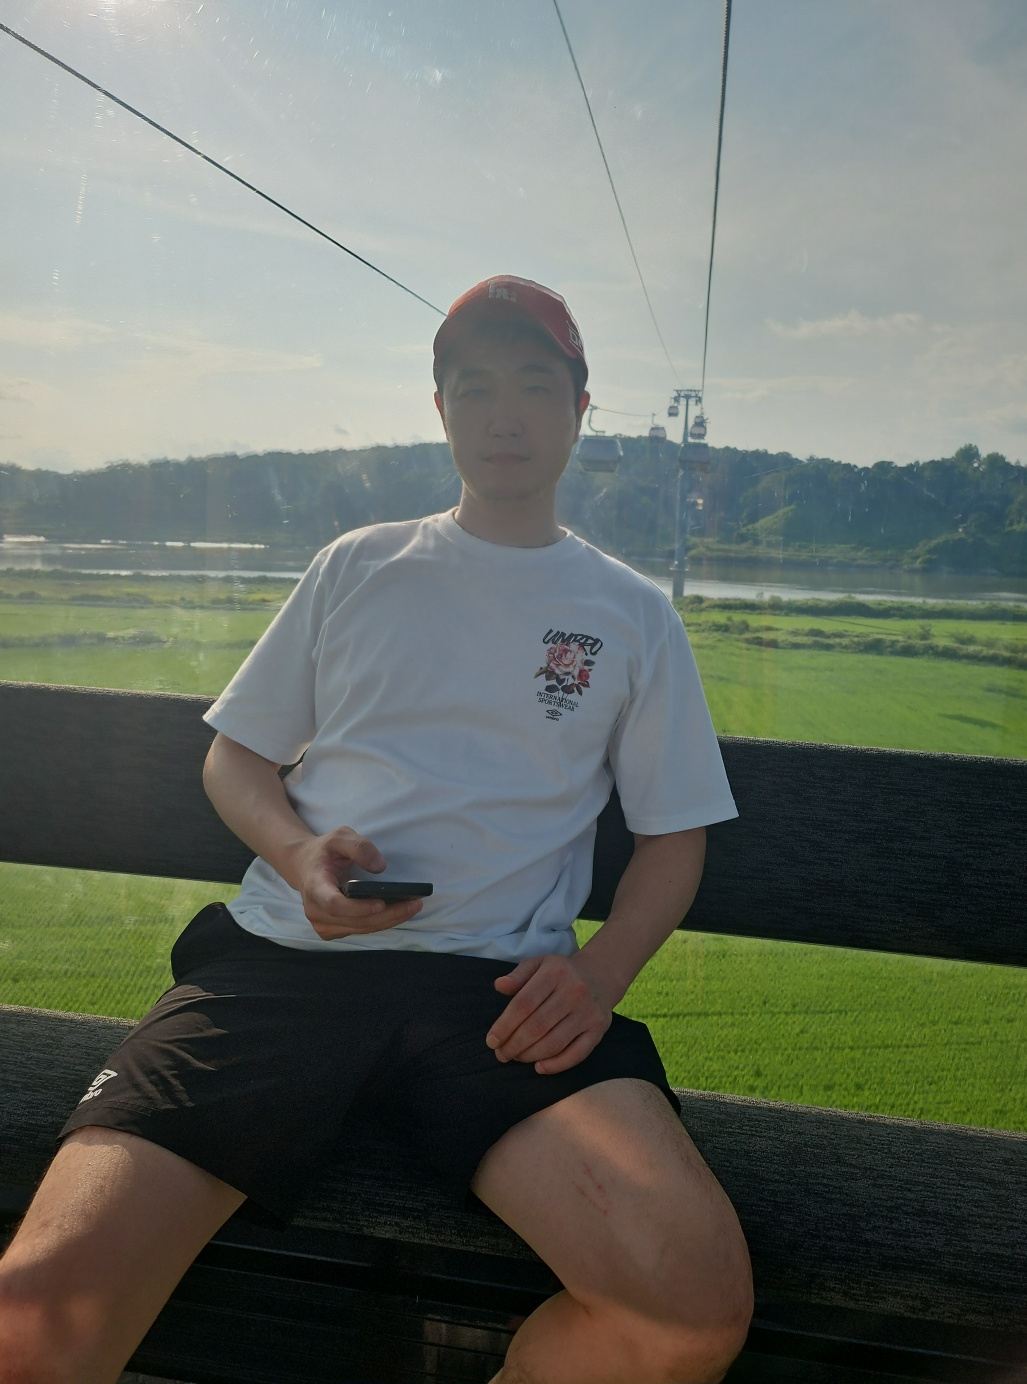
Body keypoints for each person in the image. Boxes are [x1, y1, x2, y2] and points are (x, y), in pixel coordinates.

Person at [0, 276, 753, 1384]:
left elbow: (674, 837)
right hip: (281, 966)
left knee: (688, 1309)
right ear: (440, 410)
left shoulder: (631, 613)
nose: (503, 414)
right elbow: (236, 758)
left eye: (533, 386)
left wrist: (598, 979)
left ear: (581, 411)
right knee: (34, 1316)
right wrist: (300, 856)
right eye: (473, 388)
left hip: (499, 997)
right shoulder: (357, 564)